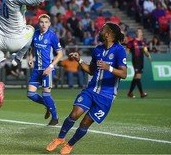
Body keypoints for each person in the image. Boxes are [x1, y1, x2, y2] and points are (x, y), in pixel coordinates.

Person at [46, 22, 127, 155]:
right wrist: (79, 60)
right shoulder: (97, 50)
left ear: (108, 34)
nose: (99, 31)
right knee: (75, 113)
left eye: (102, 29)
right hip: (91, 90)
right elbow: (90, 70)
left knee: (85, 122)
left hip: (106, 96)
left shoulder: (119, 50)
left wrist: (109, 68)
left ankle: (70, 145)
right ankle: (60, 138)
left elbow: (124, 74)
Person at [27, 14, 63, 126]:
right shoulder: (35, 34)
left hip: (47, 70)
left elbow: (60, 54)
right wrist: (31, 58)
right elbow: (32, 48)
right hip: (37, 69)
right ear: (39, 23)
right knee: (30, 94)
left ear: (49, 24)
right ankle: (48, 105)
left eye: (46, 22)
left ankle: (55, 118)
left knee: (46, 94)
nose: (44, 24)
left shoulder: (52, 36)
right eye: (42, 22)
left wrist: (50, 67)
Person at [126, 28, 151, 99]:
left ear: (142, 33)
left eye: (140, 32)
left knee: (136, 77)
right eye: (137, 31)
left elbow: (145, 50)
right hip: (135, 61)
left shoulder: (143, 42)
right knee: (138, 76)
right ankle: (141, 93)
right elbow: (127, 49)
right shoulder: (132, 42)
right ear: (136, 33)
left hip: (141, 61)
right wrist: (125, 56)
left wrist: (148, 55)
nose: (138, 33)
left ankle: (130, 92)